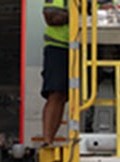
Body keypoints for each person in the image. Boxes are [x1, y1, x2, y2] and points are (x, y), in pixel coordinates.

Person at [41, 0, 70, 144]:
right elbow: (51, 17)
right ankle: (48, 141)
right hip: (59, 47)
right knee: (57, 94)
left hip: (88, 47)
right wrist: (83, 14)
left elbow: (109, 9)